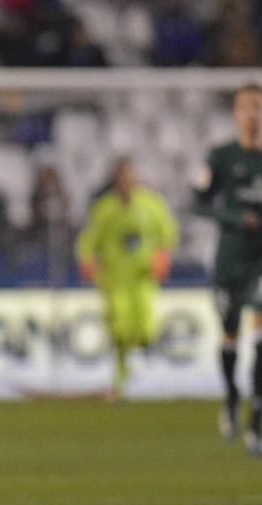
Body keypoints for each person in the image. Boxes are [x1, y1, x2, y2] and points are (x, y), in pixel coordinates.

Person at [192, 83, 262, 457]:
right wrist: (235, 217)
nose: (252, 114)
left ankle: (257, 426)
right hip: (230, 258)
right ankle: (232, 396)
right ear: (236, 113)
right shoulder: (220, 157)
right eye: (245, 107)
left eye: (258, 107)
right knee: (230, 334)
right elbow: (198, 205)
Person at [75, 157, 178, 399]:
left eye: (130, 177)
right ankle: (122, 380)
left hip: (143, 278)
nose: (127, 183)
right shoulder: (105, 209)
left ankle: (134, 372)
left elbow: (167, 233)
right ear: (116, 181)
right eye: (122, 178)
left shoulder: (151, 205)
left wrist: (163, 256)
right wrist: (88, 261)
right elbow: (90, 239)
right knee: (121, 330)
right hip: (115, 280)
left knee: (145, 329)